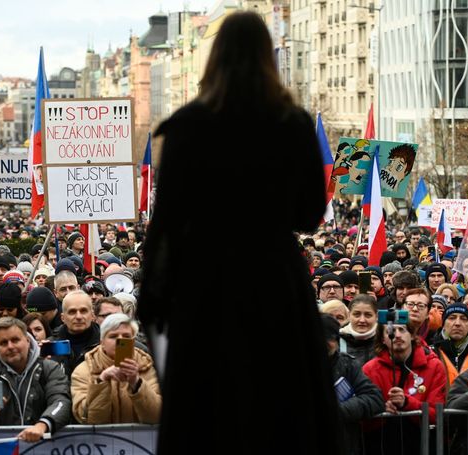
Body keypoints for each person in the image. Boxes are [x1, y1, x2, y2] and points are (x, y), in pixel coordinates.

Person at [138, 11, 341, 454]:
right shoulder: (292, 123)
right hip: (274, 282)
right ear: (268, 57)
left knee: (209, 411)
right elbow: (309, 216)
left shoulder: (187, 126)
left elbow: (167, 220)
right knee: (283, 405)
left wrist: (155, 298)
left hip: (207, 287)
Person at [0, 318, 71, 442]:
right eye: (3, 343)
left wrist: (42, 425)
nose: (10, 346)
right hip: (3, 448)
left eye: (15, 340)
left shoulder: (49, 368)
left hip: (42, 446)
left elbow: (61, 402)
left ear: (27, 341)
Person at [362, 316, 447, 454]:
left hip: (421, 444)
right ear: (382, 339)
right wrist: (381, 409)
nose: (397, 335)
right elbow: (363, 414)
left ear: (413, 335)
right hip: (381, 444)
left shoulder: (433, 366)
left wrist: (407, 402)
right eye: (390, 331)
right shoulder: (370, 369)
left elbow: (436, 415)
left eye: (402, 329)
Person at [71, 314, 161, 424]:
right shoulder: (83, 371)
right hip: (100, 441)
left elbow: (156, 416)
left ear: (134, 341)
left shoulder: (145, 367)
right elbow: (88, 419)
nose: (120, 340)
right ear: (102, 342)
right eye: (113, 336)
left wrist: (136, 384)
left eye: (126, 336)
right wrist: (101, 381)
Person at [320, 315, 383, 455]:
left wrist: (338, 411)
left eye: (329, 338)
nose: (324, 342)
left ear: (337, 341)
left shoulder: (347, 365)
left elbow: (374, 398)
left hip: (343, 444)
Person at [339, 294, 379, 366]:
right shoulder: (337, 342)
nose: (362, 320)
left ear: (376, 316)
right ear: (349, 315)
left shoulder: (385, 341)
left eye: (368, 315)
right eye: (357, 314)